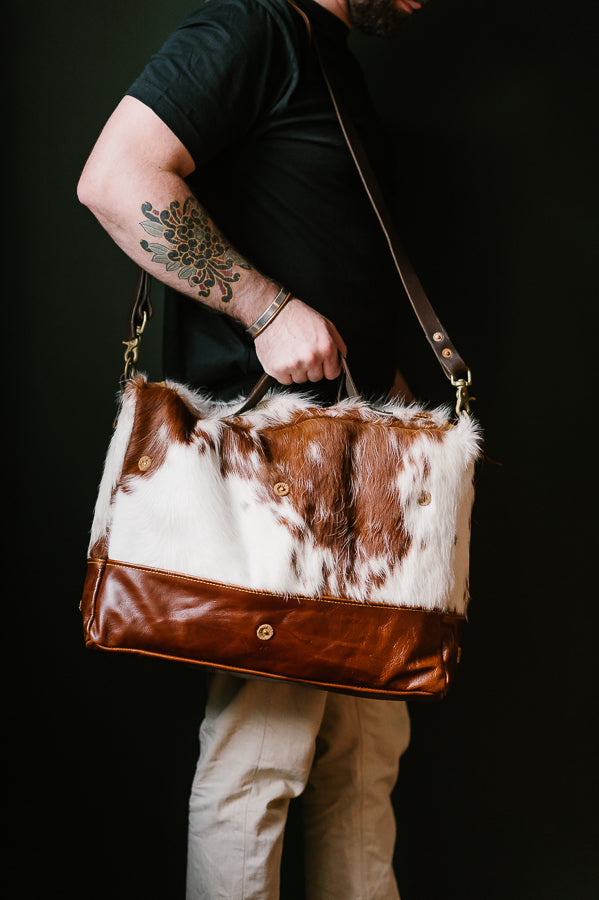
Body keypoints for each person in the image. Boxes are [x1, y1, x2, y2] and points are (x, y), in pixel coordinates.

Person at [78, 0, 425, 896]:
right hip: (279, 466)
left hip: (365, 459)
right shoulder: (253, 26)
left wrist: (384, 392)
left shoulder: (326, 54)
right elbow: (116, 177)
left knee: (363, 757)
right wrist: (265, 309)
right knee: (259, 757)